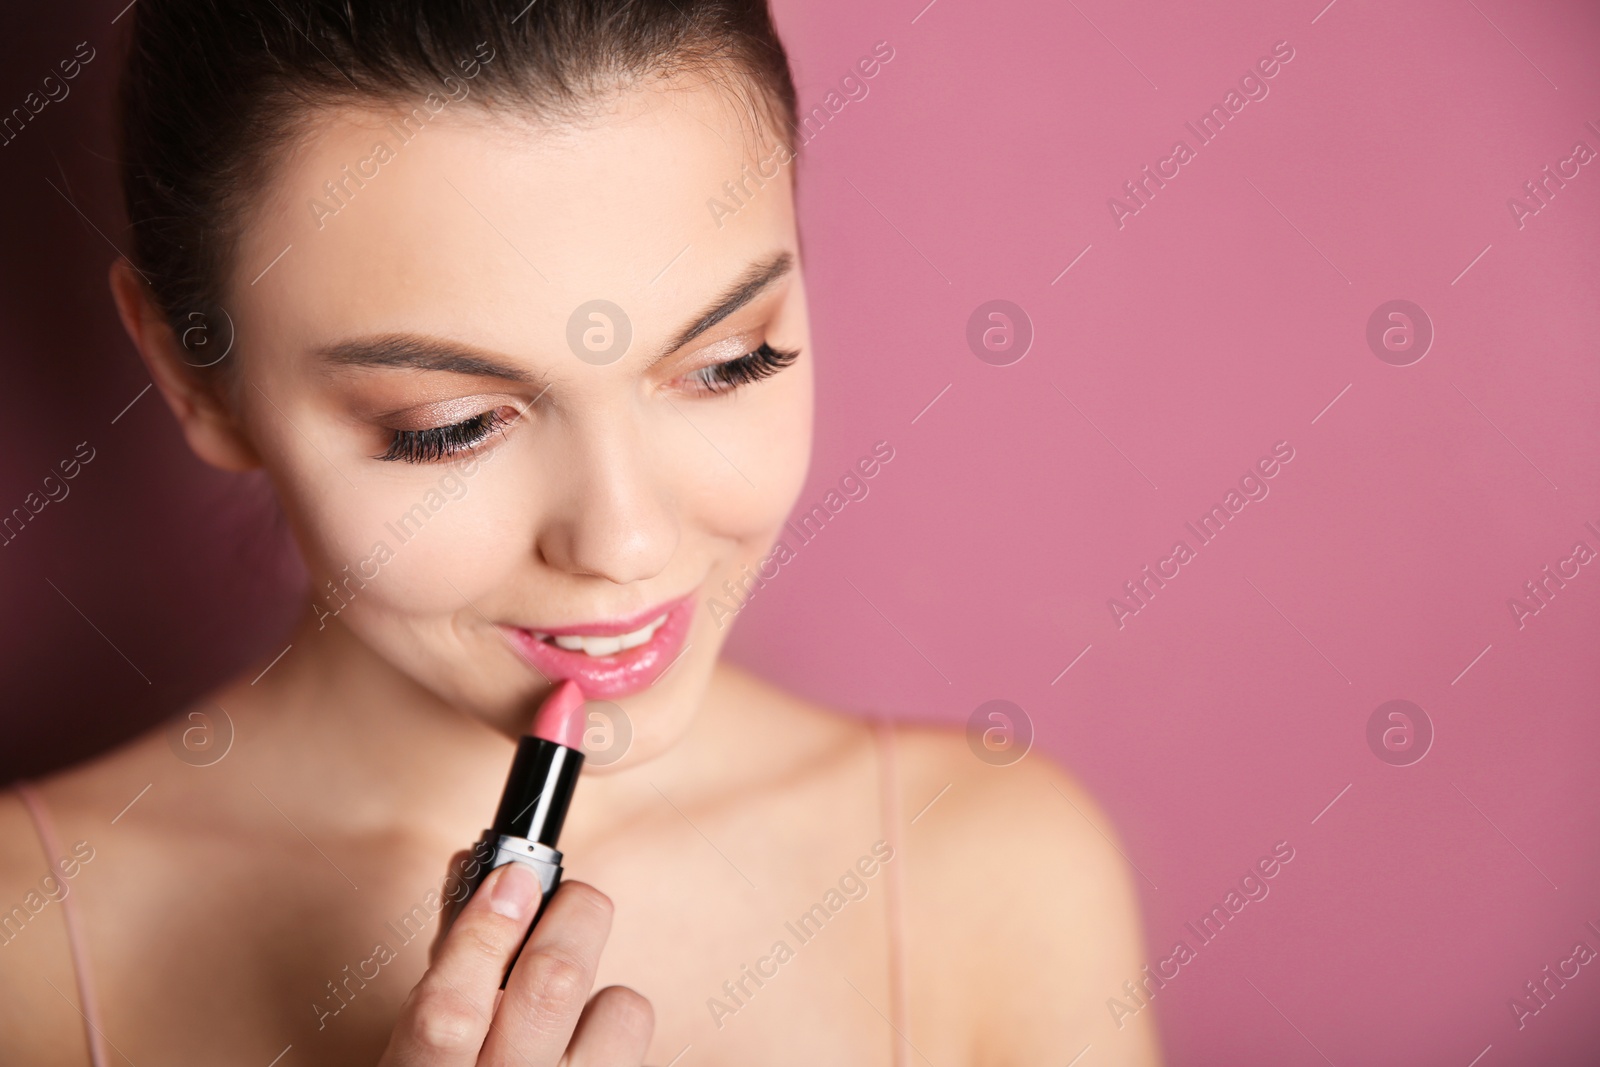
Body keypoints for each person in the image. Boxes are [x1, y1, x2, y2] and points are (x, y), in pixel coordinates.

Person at [0, 2, 1162, 1063]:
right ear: (193, 378)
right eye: (449, 427)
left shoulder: (987, 872)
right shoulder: (27, 946)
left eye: (726, 362)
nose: (624, 540)